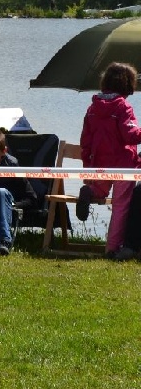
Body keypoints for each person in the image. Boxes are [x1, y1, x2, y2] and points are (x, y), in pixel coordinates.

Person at [77, 62, 141, 257]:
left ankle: (89, 190)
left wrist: (88, 166)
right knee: (121, 206)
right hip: (123, 165)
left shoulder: (93, 108)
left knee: (100, 190)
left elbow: (85, 140)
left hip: (99, 163)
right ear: (128, 84)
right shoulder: (123, 107)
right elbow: (131, 135)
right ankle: (112, 248)